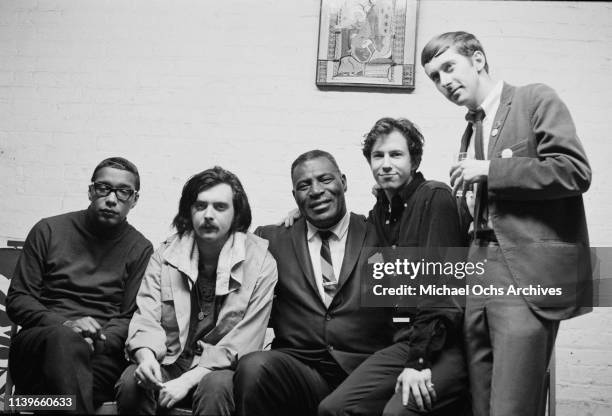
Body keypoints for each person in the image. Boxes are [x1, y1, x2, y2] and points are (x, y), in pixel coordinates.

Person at [421, 31, 591, 416]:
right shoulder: (470, 128)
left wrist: (489, 169)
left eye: (449, 67)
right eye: (435, 77)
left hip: (524, 274)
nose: (444, 82)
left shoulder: (534, 98)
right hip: (477, 271)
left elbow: (574, 171)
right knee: (480, 403)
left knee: (511, 407)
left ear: (478, 60)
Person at [319, 118, 469, 416]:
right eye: (378, 156)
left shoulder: (434, 198)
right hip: (404, 342)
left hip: (444, 345)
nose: (386, 164)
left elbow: (441, 291)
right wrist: (304, 215)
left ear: (414, 160)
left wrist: (419, 363)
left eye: (396, 155)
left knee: (397, 413)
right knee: (334, 408)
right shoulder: (381, 215)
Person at [233, 150, 395, 416]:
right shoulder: (272, 240)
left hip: (363, 371)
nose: (316, 190)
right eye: (304, 185)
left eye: (325, 179)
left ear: (343, 182)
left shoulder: (379, 233)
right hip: (300, 367)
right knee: (253, 366)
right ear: (295, 196)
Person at [116, 166, 277, 415]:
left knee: (216, 388)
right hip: (171, 358)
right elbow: (146, 315)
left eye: (220, 207)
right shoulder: (166, 254)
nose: (208, 215)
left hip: (220, 367)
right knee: (131, 382)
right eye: (200, 206)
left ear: (236, 214)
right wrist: (146, 358)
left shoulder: (261, 262)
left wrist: (188, 381)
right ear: (189, 211)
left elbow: (247, 339)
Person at [6, 157, 153, 413]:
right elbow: (19, 300)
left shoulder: (139, 248)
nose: (111, 198)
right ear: (90, 190)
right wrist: (66, 326)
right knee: (64, 344)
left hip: (99, 355)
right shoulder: (48, 230)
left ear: (134, 200)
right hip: (39, 347)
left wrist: (99, 340)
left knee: (64, 395)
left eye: (123, 192)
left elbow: (131, 316)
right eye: (102, 188)